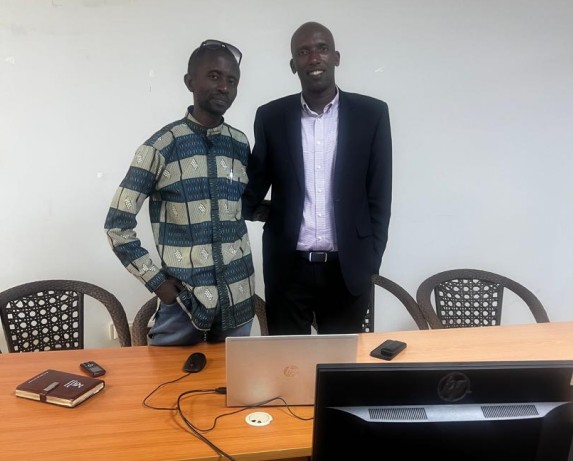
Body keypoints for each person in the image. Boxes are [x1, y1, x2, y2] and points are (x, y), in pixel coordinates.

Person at [243, 22, 392, 335]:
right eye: (303, 52)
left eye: (322, 49)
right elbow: (253, 186)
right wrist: (262, 211)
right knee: (288, 361)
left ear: (336, 57)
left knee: (339, 362)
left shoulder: (372, 114)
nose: (314, 58)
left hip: (347, 268)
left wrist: (370, 261)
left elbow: (379, 196)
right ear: (293, 64)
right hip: (288, 270)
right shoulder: (271, 117)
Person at [105, 39, 256, 346]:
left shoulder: (239, 144)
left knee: (233, 379)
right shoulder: (160, 147)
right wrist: (157, 282)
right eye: (214, 76)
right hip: (185, 305)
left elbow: (241, 207)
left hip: (238, 300)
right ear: (190, 82)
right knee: (166, 378)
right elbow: (117, 225)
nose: (224, 87)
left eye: (232, 81)